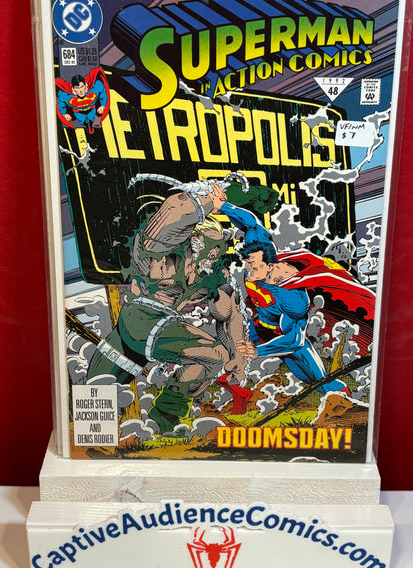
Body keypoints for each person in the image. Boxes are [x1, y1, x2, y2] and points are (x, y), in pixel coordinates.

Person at [86, 185, 250, 433]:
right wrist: (208, 202)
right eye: (210, 246)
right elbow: (172, 212)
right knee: (93, 403)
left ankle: (164, 421)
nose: (215, 254)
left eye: (220, 248)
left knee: (98, 392)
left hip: (157, 328)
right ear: (194, 241)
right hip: (138, 317)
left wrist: (238, 354)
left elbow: (230, 314)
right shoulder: (163, 255)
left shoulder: (214, 274)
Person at [209, 184, 375, 396]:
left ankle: (344, 401)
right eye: (248, 264)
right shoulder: (259, 248)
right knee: (216, 347)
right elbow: (251, 224)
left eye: (253, 267)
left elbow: (294, 340)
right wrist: (224, 206)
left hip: (283, 338)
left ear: (270, 266)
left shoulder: (294, 298)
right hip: (257, 327)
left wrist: (258, 351)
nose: (248, 271)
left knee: (320, 383)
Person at [55, 68, 109, 133]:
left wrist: (103, 105)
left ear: (86, 86)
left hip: (92, 109)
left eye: (82, 87)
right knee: (82, 121)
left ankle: (90, 123)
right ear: (73, 89)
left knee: (91, 118)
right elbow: (60, 104)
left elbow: (103, 94)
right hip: (78, 112)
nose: (80, 91)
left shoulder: (95, 88)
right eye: (77, 88)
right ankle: (86, 124)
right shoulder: (65, 96)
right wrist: (64, 114)